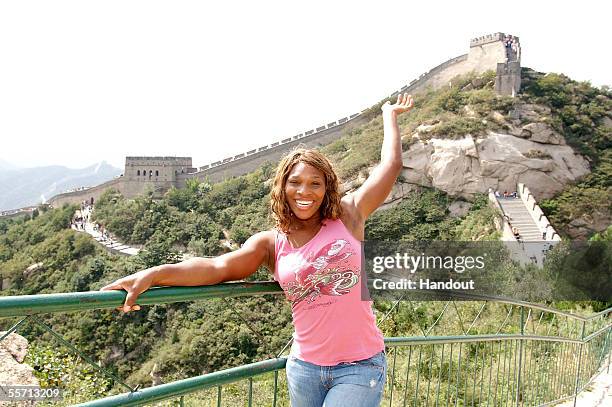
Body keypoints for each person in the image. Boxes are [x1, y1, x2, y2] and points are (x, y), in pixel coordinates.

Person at [100, 93, 415, 407]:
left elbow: (391, 165)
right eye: (296, 182)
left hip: (359, 367)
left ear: (326, 187)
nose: (305, 191)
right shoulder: (270, 243)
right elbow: (217, 268)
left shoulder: (348, 215)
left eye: (315, 183)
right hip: (305, 369)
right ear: (283, 187)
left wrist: (389, 115)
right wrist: (153, 274)